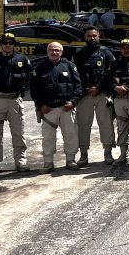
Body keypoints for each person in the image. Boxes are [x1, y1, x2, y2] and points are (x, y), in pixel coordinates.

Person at [0, 32, 33, 173]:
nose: (7, 45)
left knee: (18, 132)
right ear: (0, 45)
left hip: (15, 100)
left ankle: (20, 162)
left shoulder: (22, 59)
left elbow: (29, 76)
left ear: (14, 45)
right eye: (5, 43)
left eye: (11, 43)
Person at [31, 42, 84, 173]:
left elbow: (78, 86)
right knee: (48, 136)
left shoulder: (70, 66)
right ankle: (48, 163)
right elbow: (34, 90)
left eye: (57, 50)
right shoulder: (40, 68)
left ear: (62, 52)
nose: (54, 52)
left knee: (70, 134)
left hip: (66, 107)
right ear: (47, 52)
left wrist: (73, 102)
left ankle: (71, 160)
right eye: (51, 50)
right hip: (49, 109)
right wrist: (40, 105)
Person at [73, 27, 117, 166]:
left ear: (99, 36)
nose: (92, 38)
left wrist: (99, 88)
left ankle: (108, 152)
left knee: (106, 124)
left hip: (102, 93)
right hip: (84, 95)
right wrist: (85, 90)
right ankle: (84, 155)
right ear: (84, 37)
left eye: (94, 35)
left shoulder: (106, 53)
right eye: (89, 36)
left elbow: (111, 74)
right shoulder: (79, 54)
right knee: (83, 125)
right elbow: (76, 76)